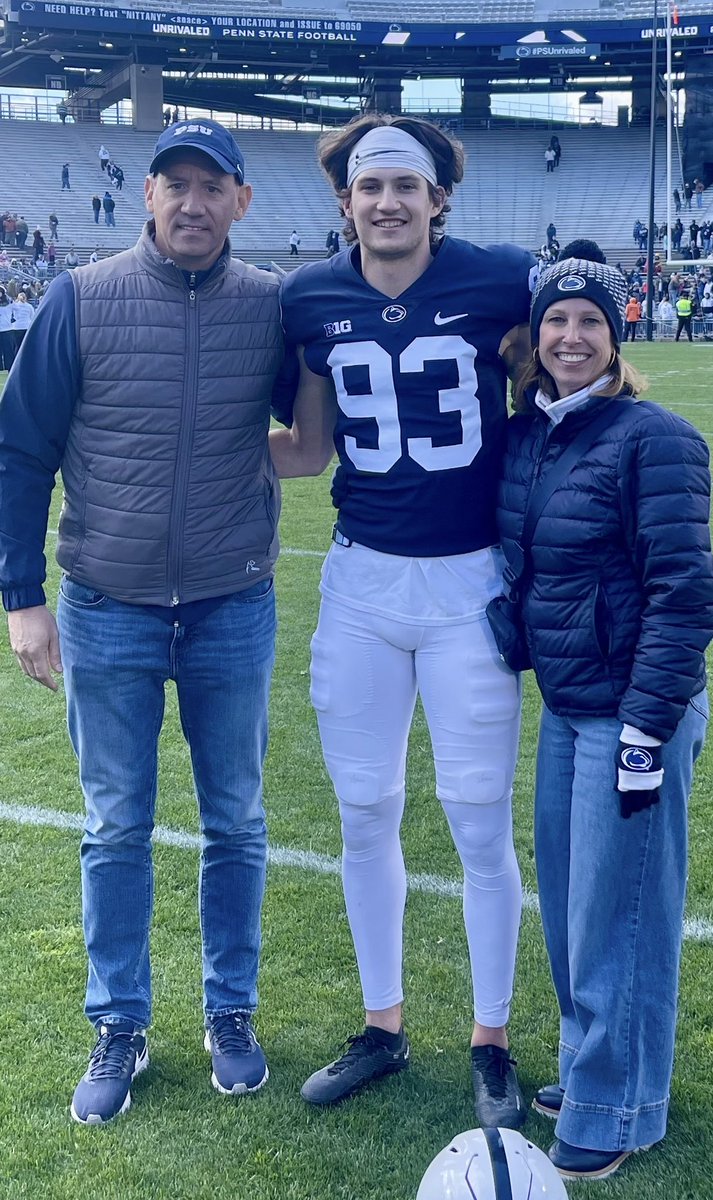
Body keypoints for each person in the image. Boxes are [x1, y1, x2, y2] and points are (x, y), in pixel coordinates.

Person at [0, 118, 284, 1126]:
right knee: (115, 827)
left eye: (213, 185)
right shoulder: (80, 299)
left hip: (230, 605)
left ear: (242, 201)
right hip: (106, 607)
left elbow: (326, 419)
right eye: (176, 184)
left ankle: (230, 1011)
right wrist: (21, 599)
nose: (193, 202)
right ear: (147, 196)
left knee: (237, 824)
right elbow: (21, 452)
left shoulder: (270, 307)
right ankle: (119, 1022)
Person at [270, 113, 536, 1126]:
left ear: (436, 200)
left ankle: (489, 1037)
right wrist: (176, 454)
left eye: (404, 185)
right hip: (362, 587)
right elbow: (305, 448)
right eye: (368, 186)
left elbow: (560, 363)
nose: (386, 201)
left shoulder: (499, 279)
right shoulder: (309, 297)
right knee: (364, 810)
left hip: (468, 583)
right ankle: (381, 1025)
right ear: (344, 202)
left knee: (476, 817)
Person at [496, 250, 713, 1181]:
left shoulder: (651, 437)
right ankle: (597, 1068)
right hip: (569, 704)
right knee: (574, 912)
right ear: (534, 338)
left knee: (618, 912)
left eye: (590, 322)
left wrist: (645, 723)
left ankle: (612, 1104)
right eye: (556, 322)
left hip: (633, 710)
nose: (571, 338)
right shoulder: (534, 435)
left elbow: (685, 588)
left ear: (615, 337)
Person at [0, 284, 15, 370]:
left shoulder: (9, 302)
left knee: (8, 350)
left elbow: (16, 310)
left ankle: (9, 367)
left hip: (7, 329)